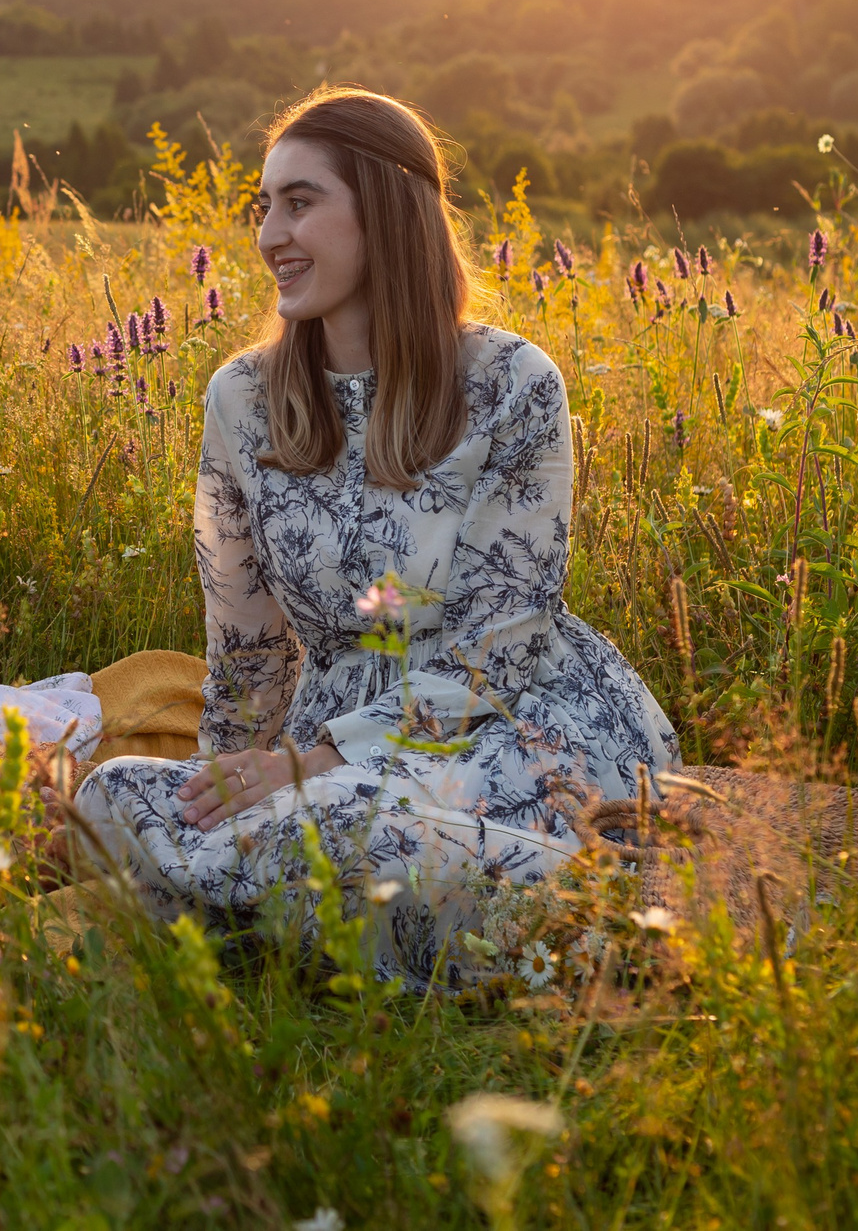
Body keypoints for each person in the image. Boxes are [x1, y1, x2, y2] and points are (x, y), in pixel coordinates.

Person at [68, 87, 678, 984]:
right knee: (106, 799)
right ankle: (340, 914)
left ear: (388, 210)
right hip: (324, 746)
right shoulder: (241, 398)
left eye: (302, 201)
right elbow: (247, 646)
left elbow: (499, 647)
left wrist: (308, 767)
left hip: (506, 725)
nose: (271, 233)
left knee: (364, 834)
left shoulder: (513, 382)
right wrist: (225, 784)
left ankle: (281, 910)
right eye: (263, 206)